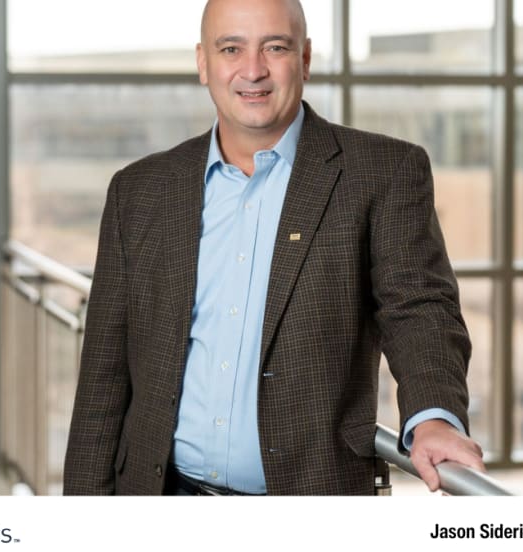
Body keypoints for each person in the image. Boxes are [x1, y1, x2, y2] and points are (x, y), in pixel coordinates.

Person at [63, 0, 484, 496]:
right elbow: (102, 383)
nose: (253, 70)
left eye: (275, 47)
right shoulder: (139, 191)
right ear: (204, 63)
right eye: (231, 48)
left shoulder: (382, 172)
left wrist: (433, 417)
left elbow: (420, 310)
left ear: (304, 59)